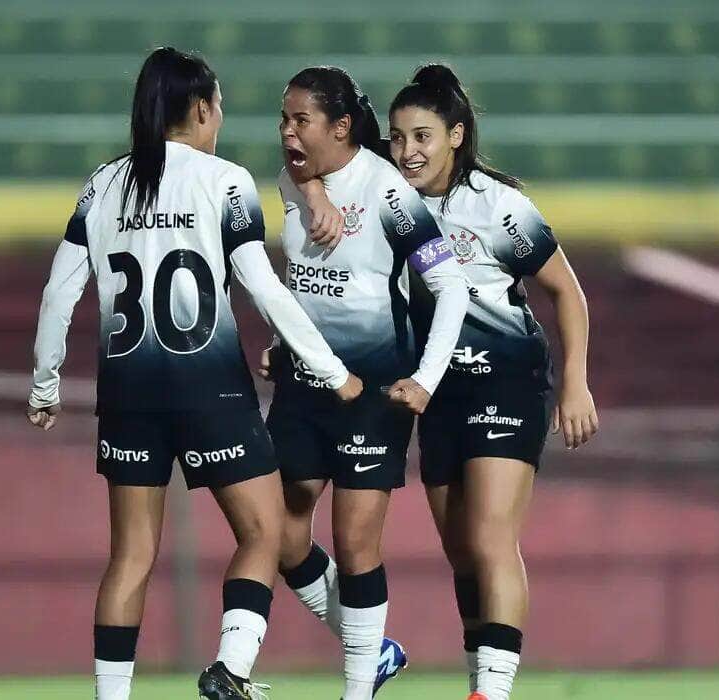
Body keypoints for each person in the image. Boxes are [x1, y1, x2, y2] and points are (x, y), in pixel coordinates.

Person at [26, 47, 362, 700]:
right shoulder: (225, 182)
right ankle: (230, 668)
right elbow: (263, 289)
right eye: (220, 108)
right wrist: (330, 370)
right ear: (203, 108)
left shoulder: (102, 185)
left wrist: (45, 384)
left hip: (126, 391)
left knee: (130, 557)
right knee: (266, 533)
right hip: (208, 384)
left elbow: (58, 295)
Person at [386, 64, 599, 700]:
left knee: (489, 538)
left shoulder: (499, 207)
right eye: (397, 138)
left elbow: (567, 292)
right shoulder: (386, 206)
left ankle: (493, 692)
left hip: (506, 380)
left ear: (455, 135)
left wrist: (576, 385)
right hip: (436, 393)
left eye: (423, 136)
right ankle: (481, 678)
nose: (408, 151)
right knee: (463, 553)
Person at [262, 66, 469, 700]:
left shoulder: (390, 195)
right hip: (303, 383)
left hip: (374, 388)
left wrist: (427, 379)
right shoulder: (290, 179)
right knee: (277, 531)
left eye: (301, 120)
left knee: (355, 543)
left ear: (342, 125)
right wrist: (281, 343)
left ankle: (356, 689)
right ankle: (373, 650)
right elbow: (301, 277)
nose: (287, 132)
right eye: (284, 119)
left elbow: (450, 286)